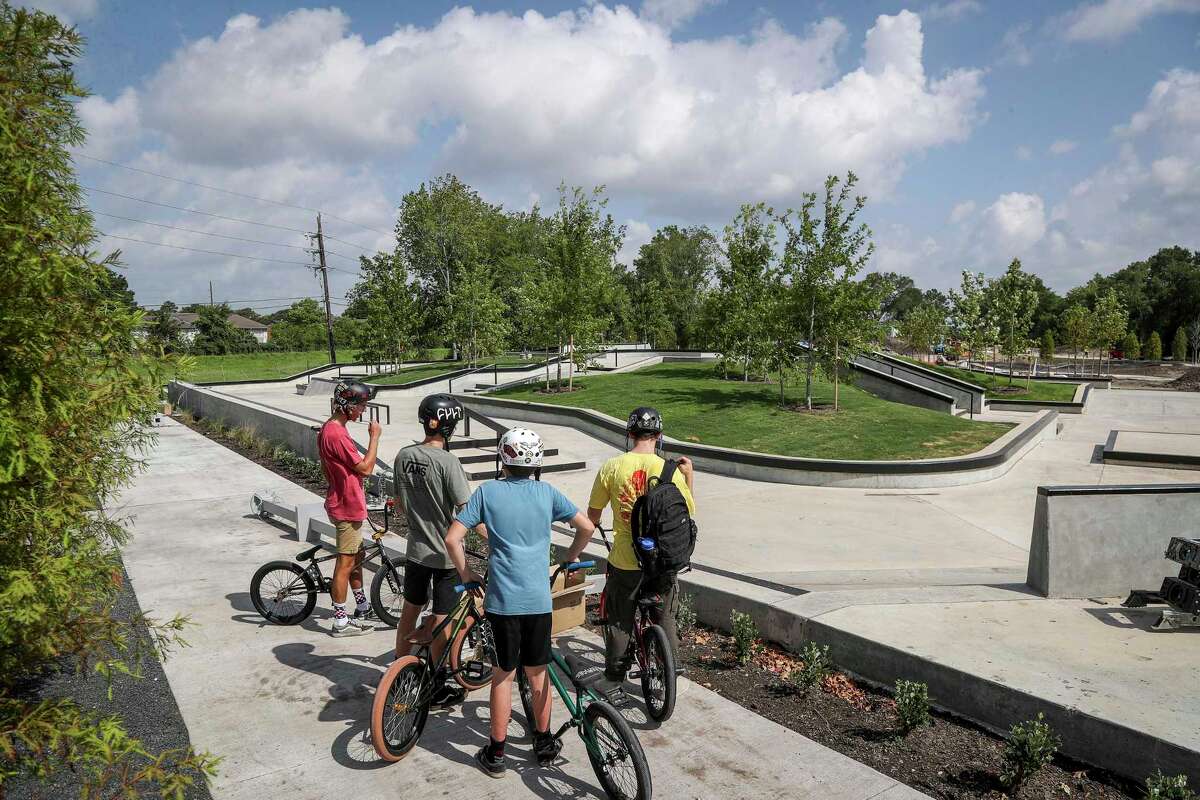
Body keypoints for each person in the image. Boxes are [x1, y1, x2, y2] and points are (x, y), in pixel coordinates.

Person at [445, 427, 594, 778]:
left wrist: (466, 573)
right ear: (537, 461)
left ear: (503, 458)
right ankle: (543, 744)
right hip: (538, 601)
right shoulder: (547, 493)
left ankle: (496, 754)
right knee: (538, 672)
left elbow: (453, 539)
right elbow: (586, 527)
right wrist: (570, 558)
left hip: (502, 603)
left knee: (503, 676)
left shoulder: (488, 492)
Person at [587, 406, 695, 690]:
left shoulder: (612, 467)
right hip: (662, 559)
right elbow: (688, 511)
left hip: (626, 558)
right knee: (664, 614)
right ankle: (670, 669)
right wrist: (689, 476)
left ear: (630, 434)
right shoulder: (669, 470)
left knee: (620, 619)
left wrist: (595, 524)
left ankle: (613, 678)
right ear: (659, 436)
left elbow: (593, 513)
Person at [391, 394, 473, 709]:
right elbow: (468, 511)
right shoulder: (448, 462)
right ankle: (436, 683)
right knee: (442, 618)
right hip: (444, 557)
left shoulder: (403, 456)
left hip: (415, 550)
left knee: (410, 610)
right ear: (450, 427)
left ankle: (399, 670)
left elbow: (400, 504)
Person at [317, 381, 382, 637]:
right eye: (361, 406)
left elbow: (326, 468)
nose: (363, 411)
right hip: (346, 507)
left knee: (357, 557)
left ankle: (362, 607)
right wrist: (374, 437)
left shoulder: (330, 428)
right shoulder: (337, 433)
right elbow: (366, 468)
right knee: (345, 563)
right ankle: (340, 621)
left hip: (345, 502)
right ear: (347, 405)